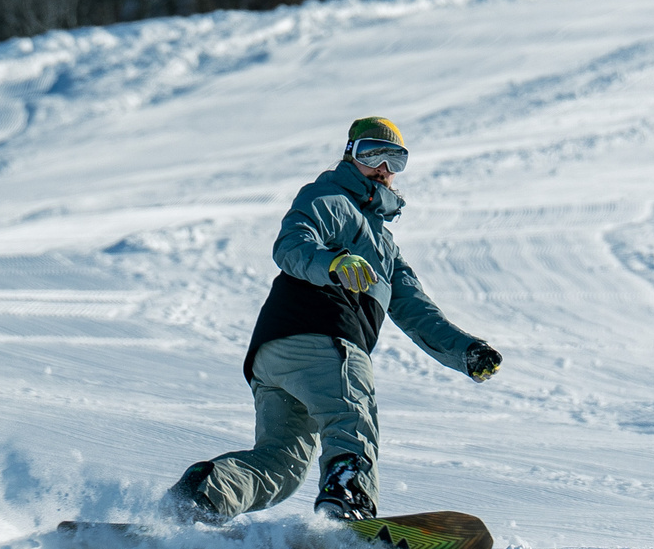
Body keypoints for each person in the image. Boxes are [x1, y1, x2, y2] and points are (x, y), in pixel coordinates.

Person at [166, 116, 502, 523]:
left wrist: (465, 351)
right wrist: (333, 263)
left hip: (274, 355)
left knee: (281, 464)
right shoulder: (331, 199)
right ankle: (348, 503)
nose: (383, 168)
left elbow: (415, 309)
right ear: (350, 155)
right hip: (325, 336)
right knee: (351, 419)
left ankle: (206, 493)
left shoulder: (386, 247)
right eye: (371, 153)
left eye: (395, 159)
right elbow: (291, 244)